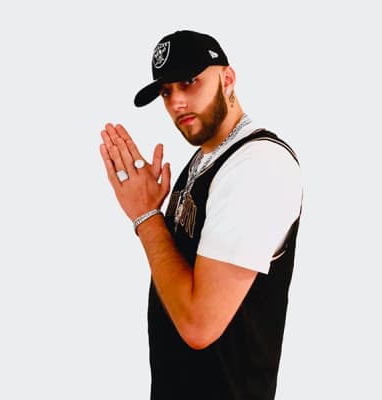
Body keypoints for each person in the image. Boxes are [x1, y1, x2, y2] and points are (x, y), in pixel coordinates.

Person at [99, 29, 303, 400]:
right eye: (166, 91)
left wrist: (146, 216)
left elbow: (199, 325)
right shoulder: (206, 159)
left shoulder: (258, 165)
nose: (176, 102)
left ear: (227, 79)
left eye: (189, 82)